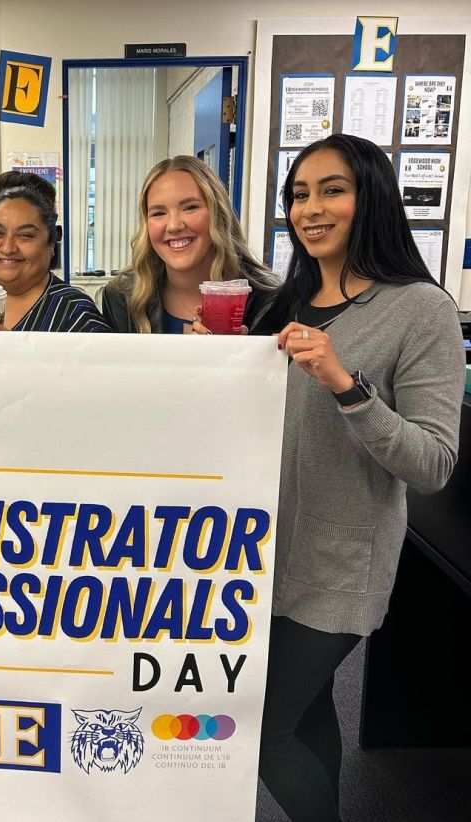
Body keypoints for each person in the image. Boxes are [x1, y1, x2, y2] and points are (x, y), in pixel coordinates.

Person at [256, 134, 465, 821]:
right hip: (263, 556)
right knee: (308, 713)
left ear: (370, 196)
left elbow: (432, 463)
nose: (310, 208)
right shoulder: (279, 301)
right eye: (298, 193)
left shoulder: (420, 308)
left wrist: (348, 385)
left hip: (340, 562)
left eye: (332, 189)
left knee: (264, 731)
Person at [101, 155, 276, 334]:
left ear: (219, 214)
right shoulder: (121, 297)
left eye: (190, 207)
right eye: (159, 213)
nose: (174, 226)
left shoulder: (269, 300)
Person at [0, 171, 110, 332]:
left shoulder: (78, 317)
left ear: (51, 244)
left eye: (25, 235)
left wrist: (16, 354)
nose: (8, 248)